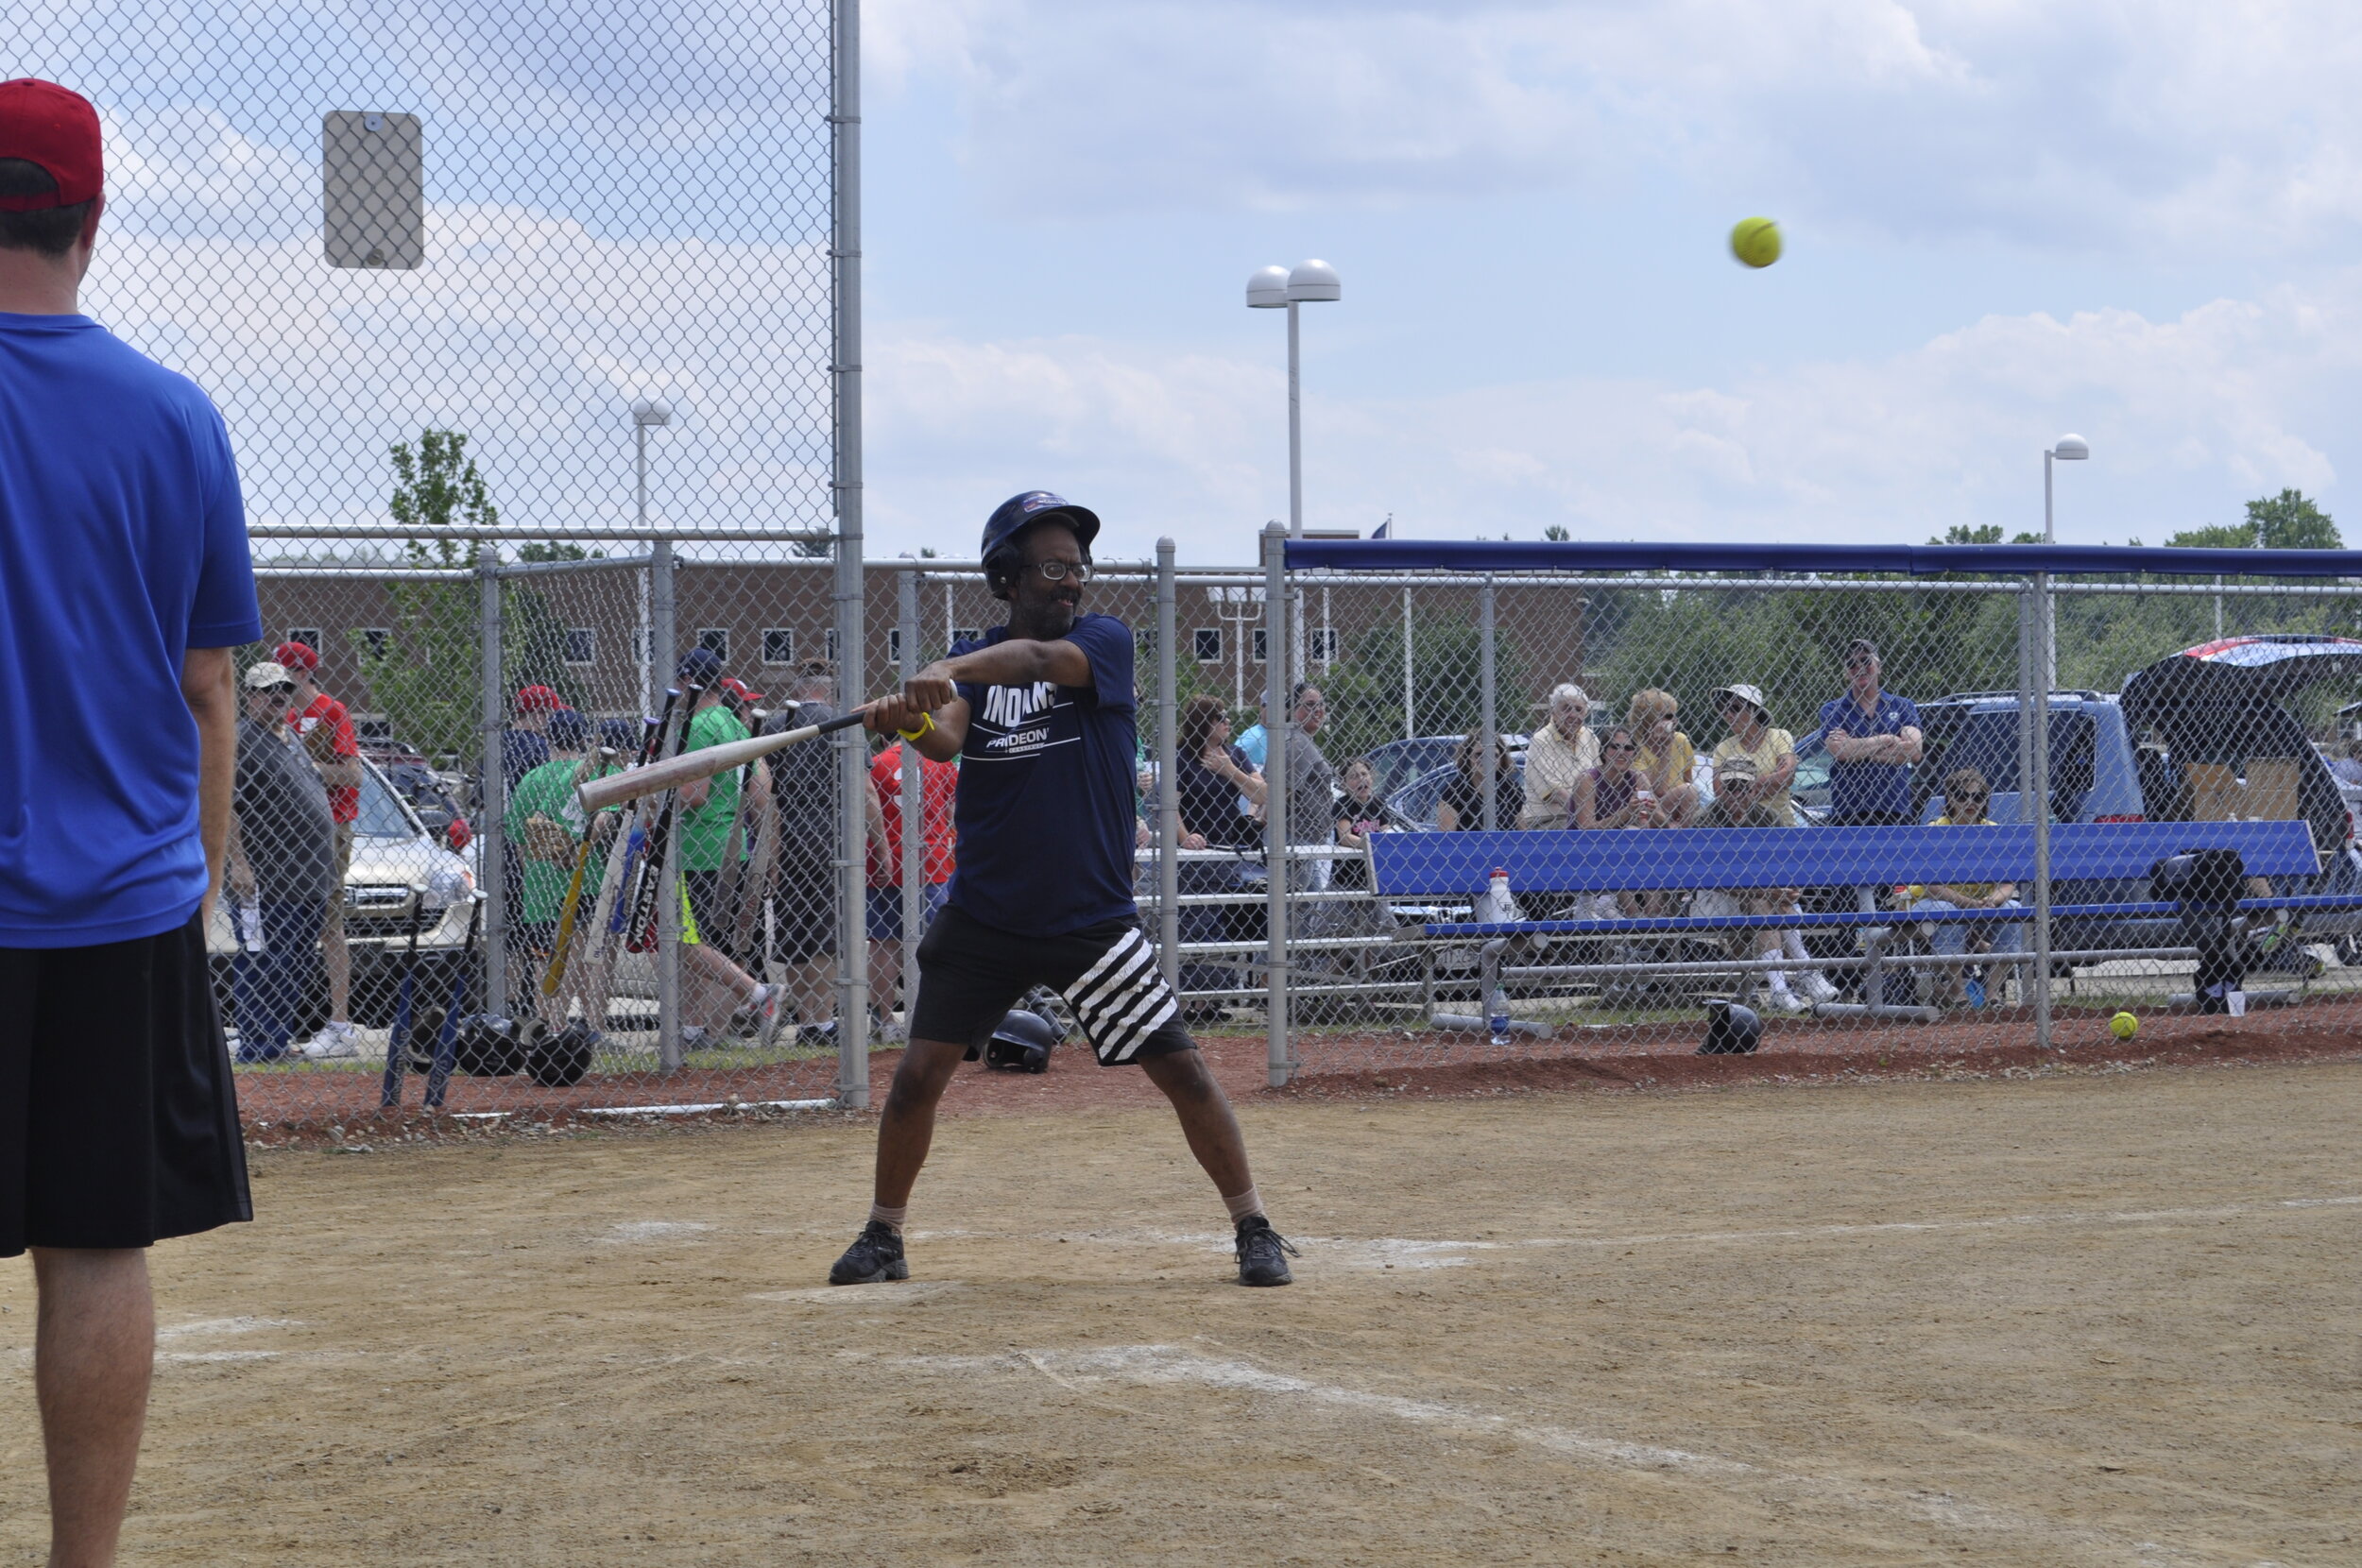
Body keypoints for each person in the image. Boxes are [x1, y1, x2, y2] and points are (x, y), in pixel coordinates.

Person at [0, 79, 259, 1567]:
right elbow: (209, 685)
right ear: (93, 220)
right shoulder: (174, 416)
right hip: (120, 898)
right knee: (97, 1244)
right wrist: (198, 892)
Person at [832, 489, 1294, 1288]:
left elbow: (1039, 662)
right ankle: (885, 1236)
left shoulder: (1102, 644)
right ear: (1007, 577)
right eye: (1050, 567)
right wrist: (904, 715)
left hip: (1091, 918)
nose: (1070, 581)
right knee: (915, 1079)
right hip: (986, 915)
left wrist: (940, 669)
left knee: (1182, 1069)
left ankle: (1254, 1225)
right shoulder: (975, 669)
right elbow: (944, 741)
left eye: (1077, 566)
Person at [760, 660, 886, 1044]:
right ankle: (820, 1021)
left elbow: (765, 796)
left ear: (799, 688)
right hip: (834, 837)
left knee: (794, 932)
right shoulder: (843, 725)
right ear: (829, 691)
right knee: (826, 935)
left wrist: (770, 851)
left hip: (787, 837)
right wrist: (880, 846)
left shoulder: (777, 726)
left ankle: (807, 1022)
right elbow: (866, 793)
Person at [225, 663, 337, 1061]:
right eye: (267, 690)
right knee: (263, 962)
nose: (277, 696)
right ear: (250, 696)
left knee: (295, 964)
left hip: (307, 878)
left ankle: (277, 1041)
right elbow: (227, 807)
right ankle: (258, 1046)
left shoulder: (289, 737)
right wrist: (239, 864)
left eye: (284, 689)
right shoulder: (241, 740)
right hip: (265, 880)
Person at [671, 650, 782, 1044]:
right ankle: (700, 1029)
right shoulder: (735, 724)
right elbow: (759, 792)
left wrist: (657, 796)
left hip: (698, 847)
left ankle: (755, 993)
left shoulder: (699, 724)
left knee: (683, 941)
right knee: (712, 944)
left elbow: (694, 794)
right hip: (732, 845)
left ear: (688, 682)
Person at [273, 639, 365, 1059]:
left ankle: (341, 1024)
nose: (278, 683)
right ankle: (279, 1027)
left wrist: (307, 769)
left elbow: (353, 775)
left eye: (285, 674)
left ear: (303, 673)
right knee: (289, 926)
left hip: (330, 826)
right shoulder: (285, 715)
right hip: (293, 830)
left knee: (329, 923)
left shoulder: (331, 710)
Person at [1689, 755, 1831, 1012]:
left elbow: (1783, 867)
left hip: (1764, 898)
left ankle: (1782, 988)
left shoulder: (1767, 818)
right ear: (1720, 788)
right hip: (1715, 899)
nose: (1736, 795)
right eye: (1730, 787)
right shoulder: (1706, 820)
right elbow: (1714, 880)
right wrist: (1769, 890)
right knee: (1763, 899)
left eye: (1743, 788)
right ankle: (1806, 973)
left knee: (1771, 901)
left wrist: (1790, 889)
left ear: (1754, 788)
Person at [503, 708, 606, 1029]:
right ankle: (594, 1027)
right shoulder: (593, 773)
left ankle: (548, 1028)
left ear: (547, 738)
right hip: (587, 880)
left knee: (544, 958)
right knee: (592, 958)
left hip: (541, 887)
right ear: (583, 740)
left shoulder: (532, 779)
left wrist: (536, 871)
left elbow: (519, 841)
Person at [1172, 695, 1265, 1013]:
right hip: (1193, 859)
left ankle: (1209, 1001)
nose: (1228, 722)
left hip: (1227, 853)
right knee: (1192, 925)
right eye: (1220, 717)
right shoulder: (1183, 757)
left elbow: (1262, 793)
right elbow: (1170, 806)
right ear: (1204, 723)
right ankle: (1187, 1003)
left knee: (1221, 926)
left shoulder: (1235, 754)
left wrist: (1229, 771)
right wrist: (1185, 837)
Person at [1907, 766, 2023, 1008]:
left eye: (1978, 796)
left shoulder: (1993, 830)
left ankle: (1992, 994)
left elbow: (2007, 884)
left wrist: (1994, 900)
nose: (1970, 801)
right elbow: (1933, 888)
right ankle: (1958, 993)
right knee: (1945, 910)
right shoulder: (1935, 830)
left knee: (2012, 908)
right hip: (1933, 904)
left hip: (1983, 905)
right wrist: (1971, 904)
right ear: (1949, 798)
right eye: (1961, 795)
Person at [866, 734, 958, 1039]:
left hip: (885, 863)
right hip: (930, 862)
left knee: (883, 943)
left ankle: (885, 1021)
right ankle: (930, 1017)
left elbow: (869, 813)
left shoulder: (877, 764)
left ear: (885, 736)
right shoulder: (940, 762)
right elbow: (951, 814)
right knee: (933, 941)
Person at [1819, 639, 1924, 827]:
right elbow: (1841, 751)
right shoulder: (1832, 710)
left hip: (1894, 809)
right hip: (1848, 810)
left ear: (1879, 667)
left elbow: (1914, 751)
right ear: (1846, 674)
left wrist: (1857, 749)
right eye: (1851, 664)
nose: (1859, 667)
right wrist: (1888, 739)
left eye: (1866, 661)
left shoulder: (1902, 706)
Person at [1709, 683, 1800, 826]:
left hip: (1782, 825)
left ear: (1754, 710)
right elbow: (1720, 792)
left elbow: (1787, 775)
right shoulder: (1723, 748)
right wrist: (1769, 783)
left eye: (1735, 708)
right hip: (1741, 827)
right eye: (1724, 710)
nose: (1728, 715)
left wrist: (1740, 789)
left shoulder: (1779, 736)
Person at [1280, 682, 1338, 889]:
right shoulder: (1297, 741)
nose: (1319, 710)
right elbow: (1282, 791)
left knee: (1308, 904)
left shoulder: (1297, 739)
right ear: (1293, 709)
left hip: (1306, 839)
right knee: (1299, 907)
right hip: (1296, 836)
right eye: (1310, 705)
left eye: (1321, 705)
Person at [1520, 682, 1600, 829]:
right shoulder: (1541, 740)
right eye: (1566, 709)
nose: (1573, 715)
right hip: (1550, 819)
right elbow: (1555, 793)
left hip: (1588, 816)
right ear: (1553, 712)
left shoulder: (1590, 737)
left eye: (1578, 709)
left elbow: (1602, 777)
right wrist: (1589, 816)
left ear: (1586, 713)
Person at [1626, 688, 1700, 827]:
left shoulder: (1680, 740)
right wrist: (1666, 748)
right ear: (1648, 720)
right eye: (1668, 717)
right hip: (1648, 809)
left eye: (1673, 716)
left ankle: (1682, 834)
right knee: (1686, 790)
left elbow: (1687, 779)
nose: (1674, 721)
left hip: (1677, 805)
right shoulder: (1634, 748)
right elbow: (1657, 791)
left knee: (1689, 790)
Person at [1435, 731, 1522, 831]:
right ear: (1468, 757)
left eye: (1494, 755)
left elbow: (1523, 833)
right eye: (1478, 754)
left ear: (1501, 759)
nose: (1486, 759)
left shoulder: (1510, 787)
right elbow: (1447, 841)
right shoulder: (1454, 791)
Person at [1331, 756, 1387, 890]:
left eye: (1364, 774)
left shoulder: (1378, 803)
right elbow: (1345, 837)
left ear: (1372, 777)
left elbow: (1386, 831)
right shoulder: (1343, 805)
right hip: (1346, 877)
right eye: (1353, 777)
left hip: (1374, 875)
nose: (1361, 779)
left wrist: (1382, 841)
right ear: (1344, 784)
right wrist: (1372, 844)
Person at [505, 684, 559, 791]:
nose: (554, 720)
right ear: (538, 716)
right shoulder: (539, 746)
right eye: (551, 714)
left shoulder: (497, 741)